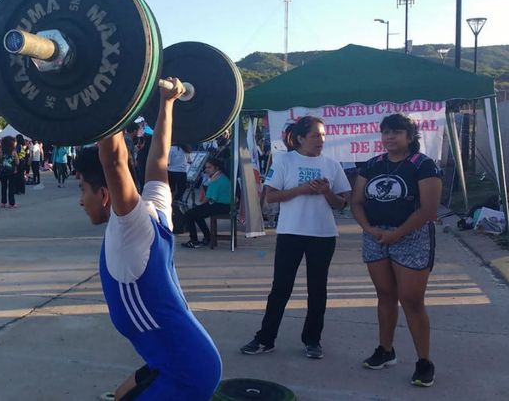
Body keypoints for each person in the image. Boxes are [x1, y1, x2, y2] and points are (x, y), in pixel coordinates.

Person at [74, 78, 222, 400]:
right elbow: (157, 163)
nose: (79, 200)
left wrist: (105, 86)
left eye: (82, 189)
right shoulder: (155, 209)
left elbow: (114, 160)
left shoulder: (131, 227)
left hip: (186, 372)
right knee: (119, 395)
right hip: (176, 357)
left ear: (104, 194)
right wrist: (167, 103)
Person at [240, 116, 351, 359]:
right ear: (300, 138)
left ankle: (313, 340)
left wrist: (326, 191)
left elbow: (341, 203)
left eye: (323, 135)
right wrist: (302, 189)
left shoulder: (332, 165)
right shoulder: (284, 161)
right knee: (281, 288)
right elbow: (271, 197)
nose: (320, 140)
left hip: (323, 234)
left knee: (317, 289)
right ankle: (265, 338)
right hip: (291, 232)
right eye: (315, 135)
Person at [351, 113, 441, 387]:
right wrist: (369, 229)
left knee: (412, 300)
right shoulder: (372, 165)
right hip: (376, 236)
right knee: (385, 295)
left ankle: (424, 362)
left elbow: (428, 209)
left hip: (411, 238)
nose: (390, 137)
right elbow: (356, 202)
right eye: (386, 132)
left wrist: (398, 234)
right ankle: (385, 350)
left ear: (410, 137)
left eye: (397, 132)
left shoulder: (423, 165)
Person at [180, 158, 231, 249]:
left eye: (209, 167)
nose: (207, 170)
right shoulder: (221, 176)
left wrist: (199, 207)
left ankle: (194, 241)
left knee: (189, 214)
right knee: (196, 214)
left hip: (220, 206)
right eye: (206, 167)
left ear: (216, 168)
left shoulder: (217, 179)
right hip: (224, 205)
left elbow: (208, 199)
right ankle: (207, 237)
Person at [0, 135, 19, 208]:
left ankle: (3, 202)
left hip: (2, 171)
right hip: (12, 172)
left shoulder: (0, 150)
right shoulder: (13, 151)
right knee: (11, 188)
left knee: (3, 187)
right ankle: (11, 203)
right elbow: (17, 162)